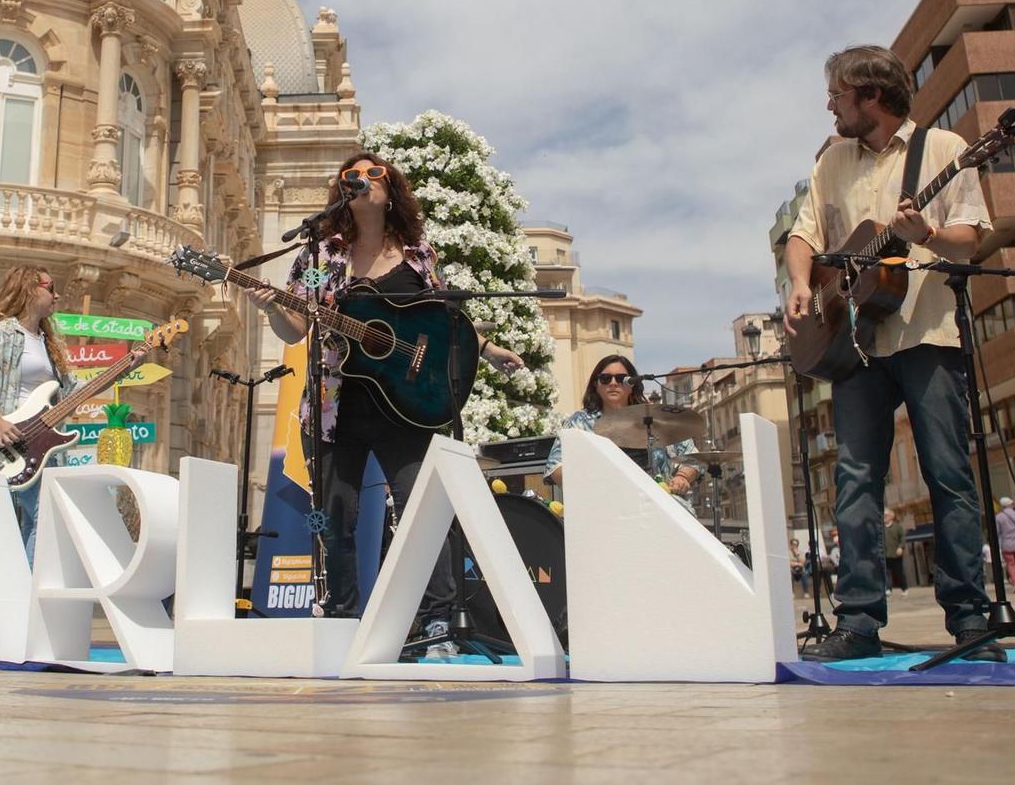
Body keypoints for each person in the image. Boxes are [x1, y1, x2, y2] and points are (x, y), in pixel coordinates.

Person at [251, 151, 525, 654]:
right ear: (341, 191)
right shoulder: (321, 258)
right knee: (329, 516)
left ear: (390, 186)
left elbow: (443, 323)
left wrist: (486, 349)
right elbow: (298, 324)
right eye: (350, 176)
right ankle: (340, 614)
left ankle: (436, 621)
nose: (361, 180)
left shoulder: (418, 253)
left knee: (421, 509)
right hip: (336, 408)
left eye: (372, 173)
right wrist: (272, 309)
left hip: (407, 406)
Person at [784, 45, 997, 662]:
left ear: (870, 96)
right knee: (854, 481)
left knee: (949, 475)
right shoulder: (832, 163)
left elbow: (973, 239)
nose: (829, 106)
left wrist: (926, 234)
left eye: (837, 95)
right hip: (856, 344)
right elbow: (805, 234)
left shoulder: (946, 150)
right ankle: (858, 623)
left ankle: (970, 622)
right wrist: (802, 282)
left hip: (928, 336)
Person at [0, 264, 75, 563]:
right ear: (29, 289)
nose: (56, 295)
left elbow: (69, 392)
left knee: (42, 518)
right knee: (42, 517)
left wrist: (129, 363)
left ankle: (22, 592)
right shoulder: (4, 333)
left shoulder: (49, 345)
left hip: (42, 444)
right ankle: (28, 595)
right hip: (11, 443)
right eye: (50, 287)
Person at [542, 354, 701, 494]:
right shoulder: (579, 422)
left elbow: (693, 458)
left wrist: (682, 477)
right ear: (596, 385)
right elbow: (556, 466)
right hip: (603, 508)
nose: (613, 383)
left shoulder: (655, 417)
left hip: (660, 505)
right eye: (605, 379)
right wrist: (590, 485)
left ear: (632, 385)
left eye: (620, 379)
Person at [883, 508, 908, 593]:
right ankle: (888, 589)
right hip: (886, 555)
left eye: (886, 515)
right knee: (887, 573)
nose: (884, 517)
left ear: (891, 516)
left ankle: (904, 588)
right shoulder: (881, 528)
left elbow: (903, 538)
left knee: (899, 572)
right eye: (884, 515)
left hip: (896, 554)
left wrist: (901, 547)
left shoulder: (897, 527)